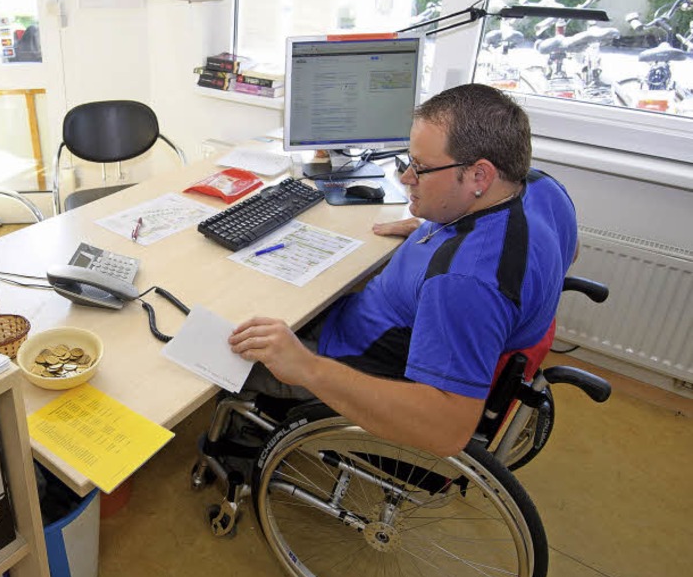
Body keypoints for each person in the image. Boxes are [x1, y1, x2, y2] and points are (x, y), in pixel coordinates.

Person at [228, 84, 578, 457]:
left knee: (231, 341)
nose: (406, 178)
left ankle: (241, 444)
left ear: (480, 176)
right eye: (407, 162)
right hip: (380, 319)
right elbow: (560, 255)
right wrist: (442, 229)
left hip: (354, 356)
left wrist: (306, 367)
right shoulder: (541, 188)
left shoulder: (463, 284)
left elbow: (445, 431)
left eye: (422, 168)